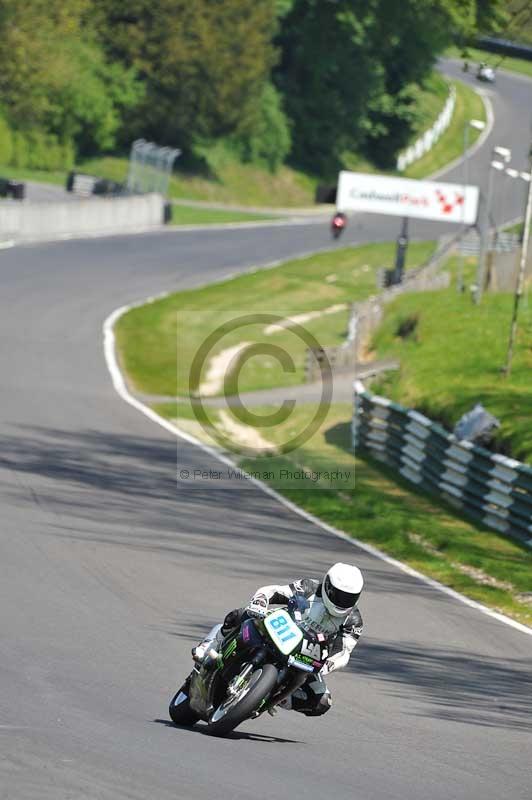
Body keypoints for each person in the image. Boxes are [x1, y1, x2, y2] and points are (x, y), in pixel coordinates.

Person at [191, 562, 364, 717]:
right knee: (239, 615)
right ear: (328, 586)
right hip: (281, 628)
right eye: (339, 595)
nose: (343, 602)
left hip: (307, 656)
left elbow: (344, 651)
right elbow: (275, 591)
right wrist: (260, 601)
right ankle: (210, 645)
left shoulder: (353, 620)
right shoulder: (309, 587)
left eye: (349, 598)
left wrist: (329, 664)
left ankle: (273, 697)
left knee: (321, 701)